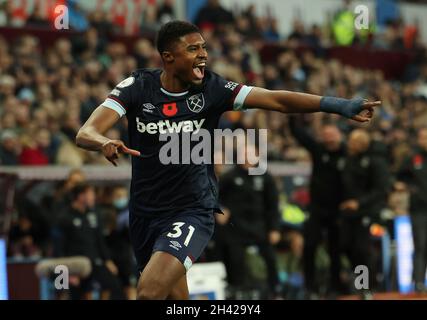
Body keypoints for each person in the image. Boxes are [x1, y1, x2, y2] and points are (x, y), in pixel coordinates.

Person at [75, 20, 380, 300]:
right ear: (168, 57)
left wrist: (338, 105)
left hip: (191, 210)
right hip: (144, 213)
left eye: (204, 47)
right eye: (193, 48)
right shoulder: (137, 87)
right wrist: (104, 141)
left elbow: (276, 99)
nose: (203, 55)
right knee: (175, 300)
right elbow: (86, 132)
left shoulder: (214, 89)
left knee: (147, 293)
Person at [216, 144, 281, 299]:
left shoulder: (265, 177)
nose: (246, 158)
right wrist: (219, 210)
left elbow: (273, 205)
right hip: (236, 227)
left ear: (257, 156)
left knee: (270, 258)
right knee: (235, 259)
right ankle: (237, 290)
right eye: (243, 154)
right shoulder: (229, 176)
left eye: (250, 154)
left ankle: (275, 290)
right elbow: (214, 196)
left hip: (260, 226)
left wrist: (275, 229)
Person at [289, 118, 345, 298]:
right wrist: (292, 116)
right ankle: (310, 287)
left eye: (332, 135)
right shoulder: (318, 150)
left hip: (339, 211)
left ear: (340, 136)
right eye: (326, 136)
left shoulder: (348, 153)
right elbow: (300, 136)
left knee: (336, 249)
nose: (329, 139)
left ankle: (336, 285)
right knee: (310, 246)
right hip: (317, 209)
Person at [339, 129, 389, 299]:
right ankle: (360, 282)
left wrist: (359, 203)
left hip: (367, 212)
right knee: (345, 246)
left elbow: (380, 189)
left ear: (362, 143)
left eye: (353, 141)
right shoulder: (348, 160)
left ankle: (366, 287)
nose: (349, 144)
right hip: (347, 213)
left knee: (363, 249)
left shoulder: (376, 162)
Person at [56, 183, 124, 300]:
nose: (93, 197)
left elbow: (99, 240)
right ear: (81, 196)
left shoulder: (93, 214)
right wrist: (68, 272)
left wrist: (108, 260)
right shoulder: (65, 217)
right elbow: (60, 246)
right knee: (70, 292)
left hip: (94, 261)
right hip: (75, 264)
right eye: (90, 194)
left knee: (113, 283)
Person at [397, 128, 427, 293]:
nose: (424, 141)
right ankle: (419, 283)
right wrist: (408, 187)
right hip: (419, 209)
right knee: (420, 244)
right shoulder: (412, 158)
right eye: (422, 138)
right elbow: (399, 177)